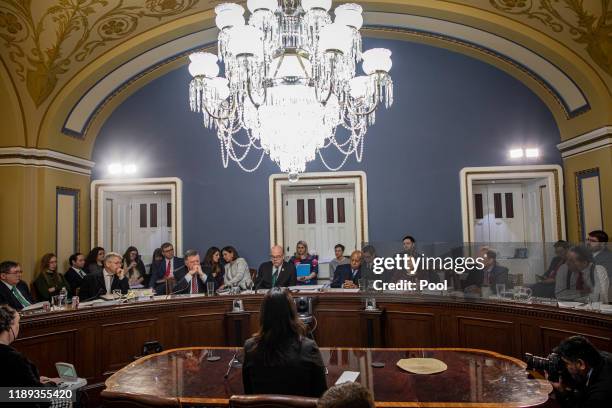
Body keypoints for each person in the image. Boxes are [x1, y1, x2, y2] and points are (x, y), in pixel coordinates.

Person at [242, 287, 327, 397]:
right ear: (292, 313)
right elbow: (321, 396)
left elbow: (249, 394)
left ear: (264, 314)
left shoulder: (250, 347)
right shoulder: (308, 348)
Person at [0, 304, 59, 388]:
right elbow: (35, 395)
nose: (18, 327)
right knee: (73, 394)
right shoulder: (14, 359)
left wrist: (35, 380)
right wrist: (52, 384)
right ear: (10, 327)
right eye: (18, 323)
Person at [548, 336, 612, 407]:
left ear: (581, 364)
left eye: (567, 363)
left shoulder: (599, 395)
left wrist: (564, 394)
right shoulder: (600, 357)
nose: (565, 367)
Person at [587, 230, 612, 301]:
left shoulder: (609, 257)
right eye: (588, 240)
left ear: (602, 244)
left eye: (592, 241)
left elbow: (607, 281)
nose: (588, 243)